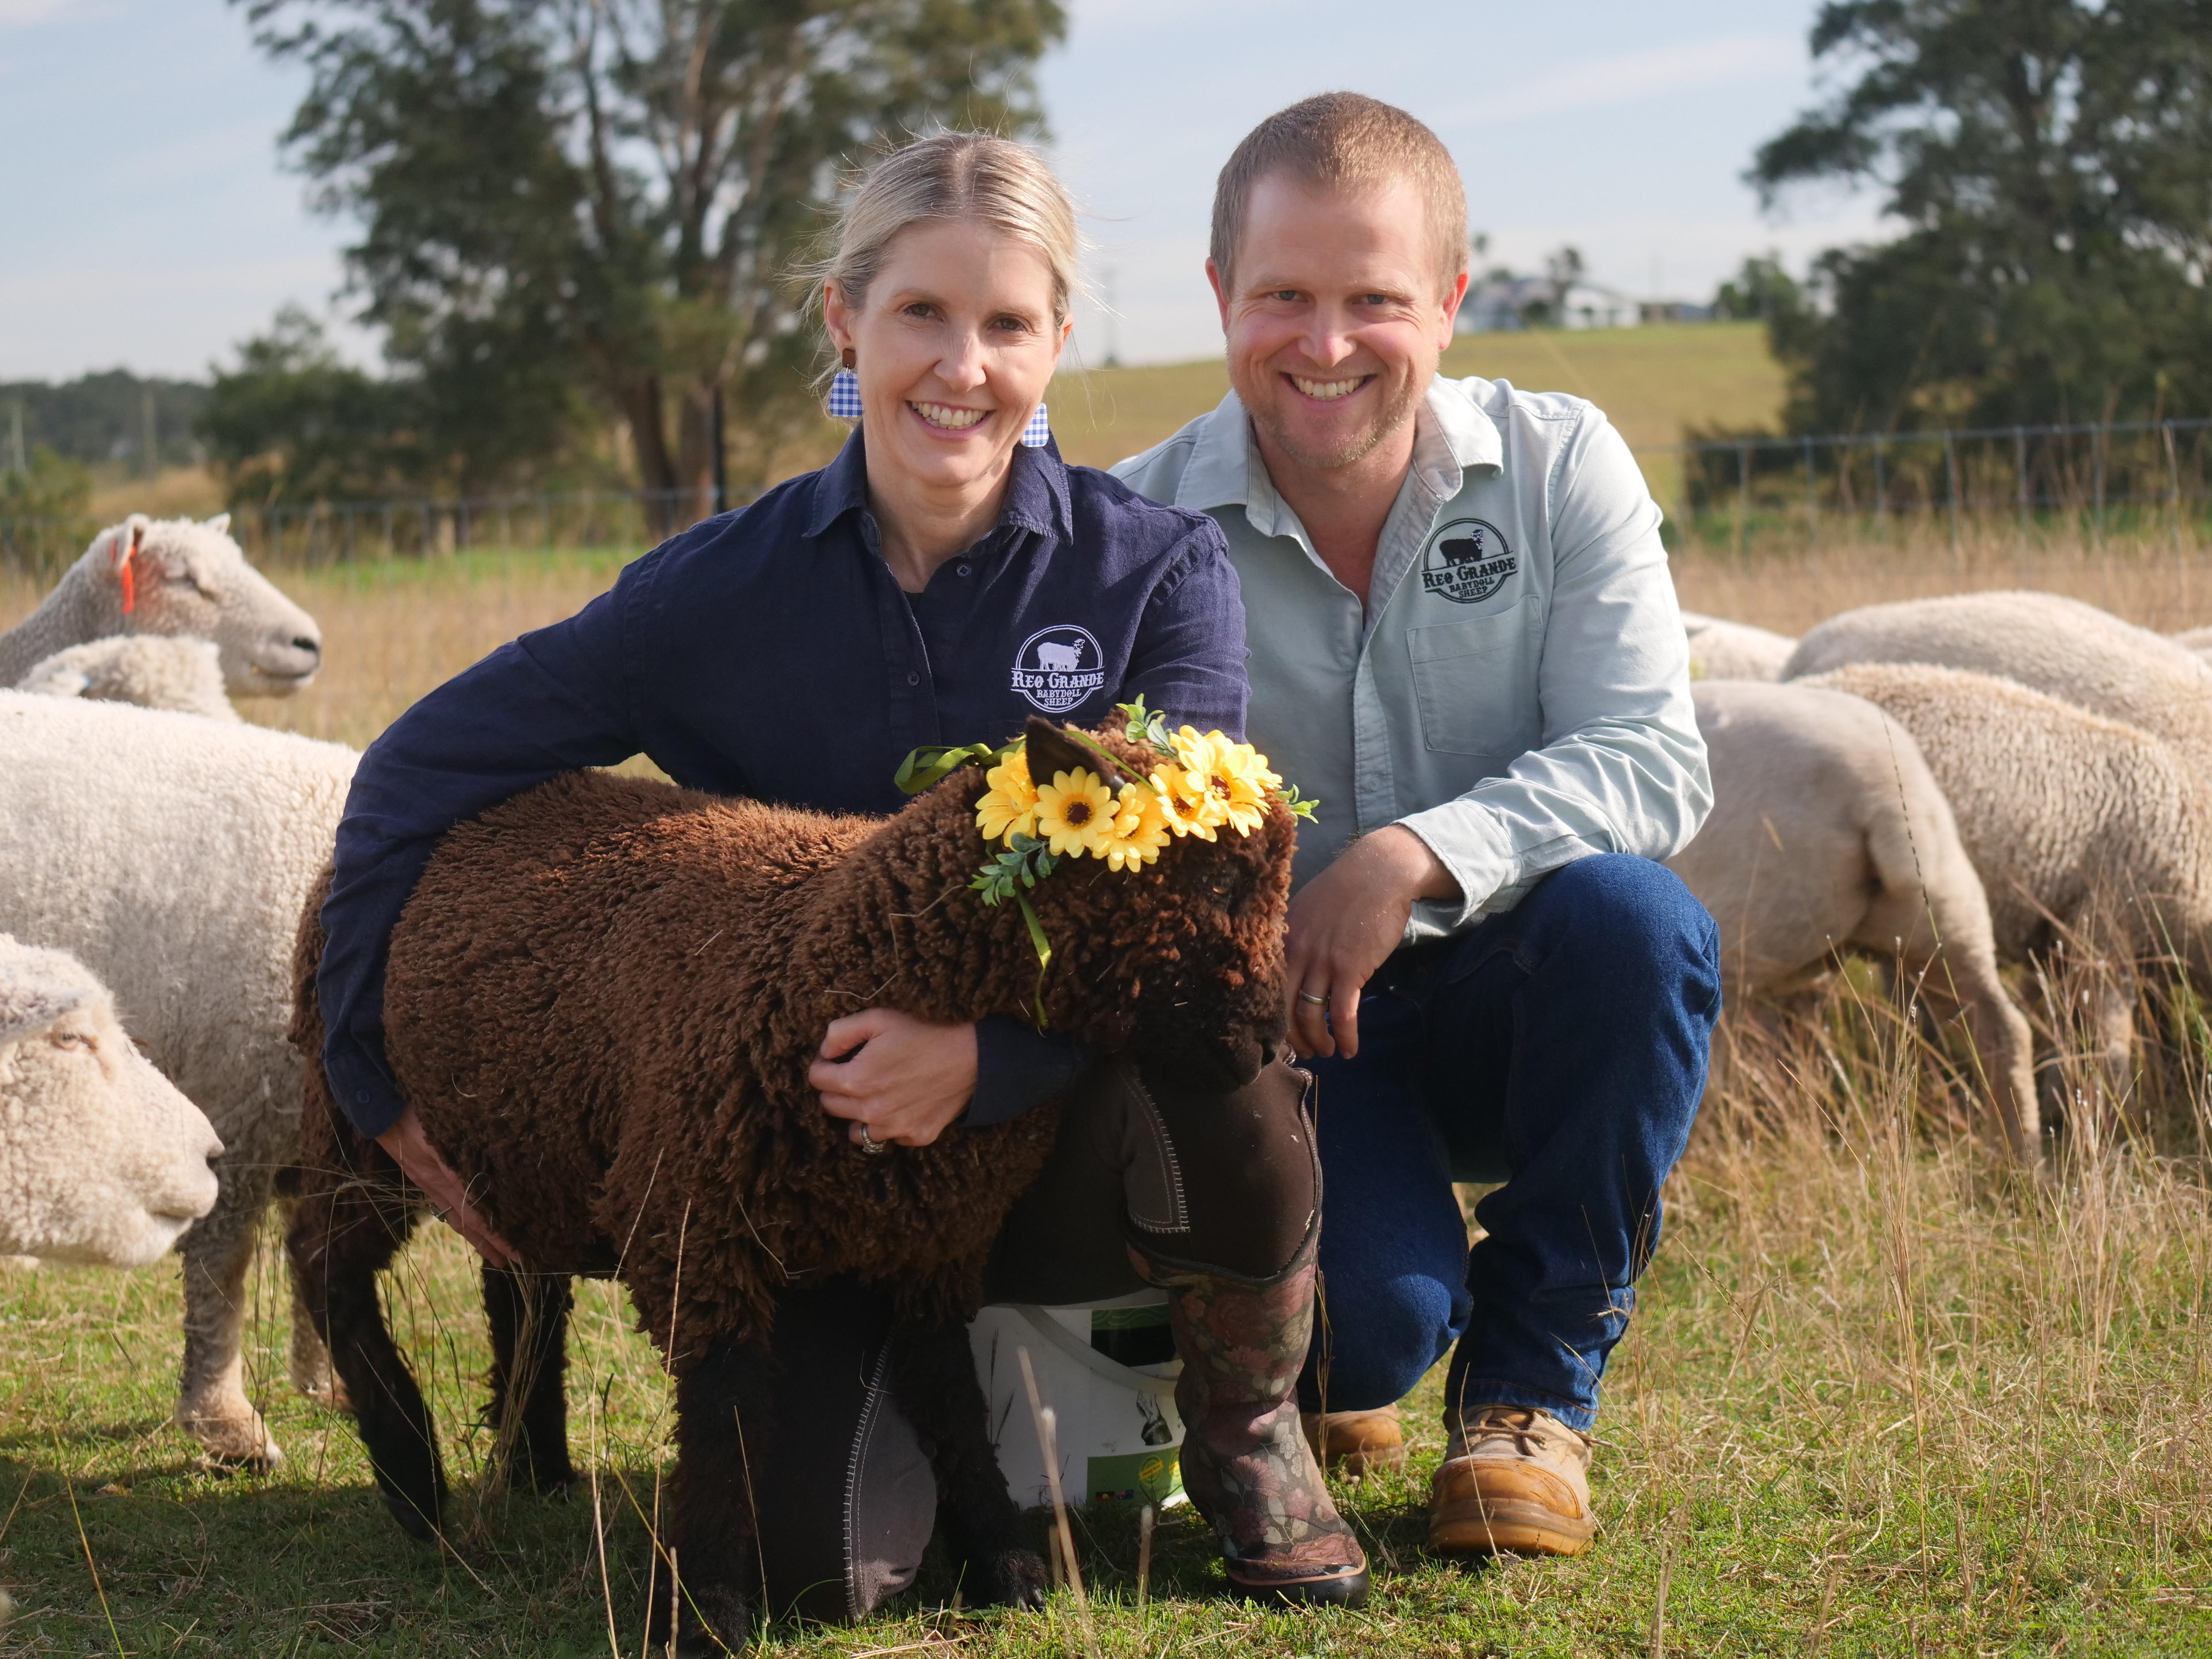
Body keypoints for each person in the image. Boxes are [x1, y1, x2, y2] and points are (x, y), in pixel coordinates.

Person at [315, 130, 1367, 1621]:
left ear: (1057, 340)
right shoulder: (718, 592)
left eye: (1007, 324)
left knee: (1229, 1060)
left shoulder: (1153, 575)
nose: (963, 367)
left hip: (1064, 1139)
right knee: (828, 1567)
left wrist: (989, 1060)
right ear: (843, 323)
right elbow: (416, 770)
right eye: (921, 315)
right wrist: (368, 1075)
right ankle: (930, 1431)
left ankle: (1250, 1436)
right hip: (828, 1169)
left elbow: (1181, 908)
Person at [1113, 93, 1722, 1559]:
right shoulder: (1134, 532)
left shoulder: (1562, 466)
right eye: (1284, 298)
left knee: (1642, 924)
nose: (1325, 345)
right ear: (1220, 299)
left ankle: (1529, 1400)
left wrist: (1410, 858)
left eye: (1374, 299)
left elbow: (1653, 753)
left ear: (1448, 302)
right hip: (1306, 1046)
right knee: (1368, 1334)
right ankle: (1347, 1362)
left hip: (1529, 990)